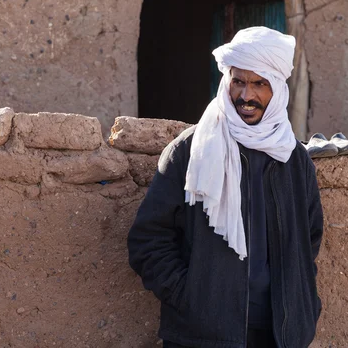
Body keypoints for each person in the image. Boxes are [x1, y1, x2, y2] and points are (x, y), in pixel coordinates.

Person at [127, 27, 324, 348]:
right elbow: (148, 240)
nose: (247, 96)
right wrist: (191, 299)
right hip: (204, 336)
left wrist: (300, 299)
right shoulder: (190, 150)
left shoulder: (294, 158)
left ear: (277, 88)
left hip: (281, 334)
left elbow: (309, 236)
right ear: (226, 82)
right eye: (238, 82)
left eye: (260, 84)